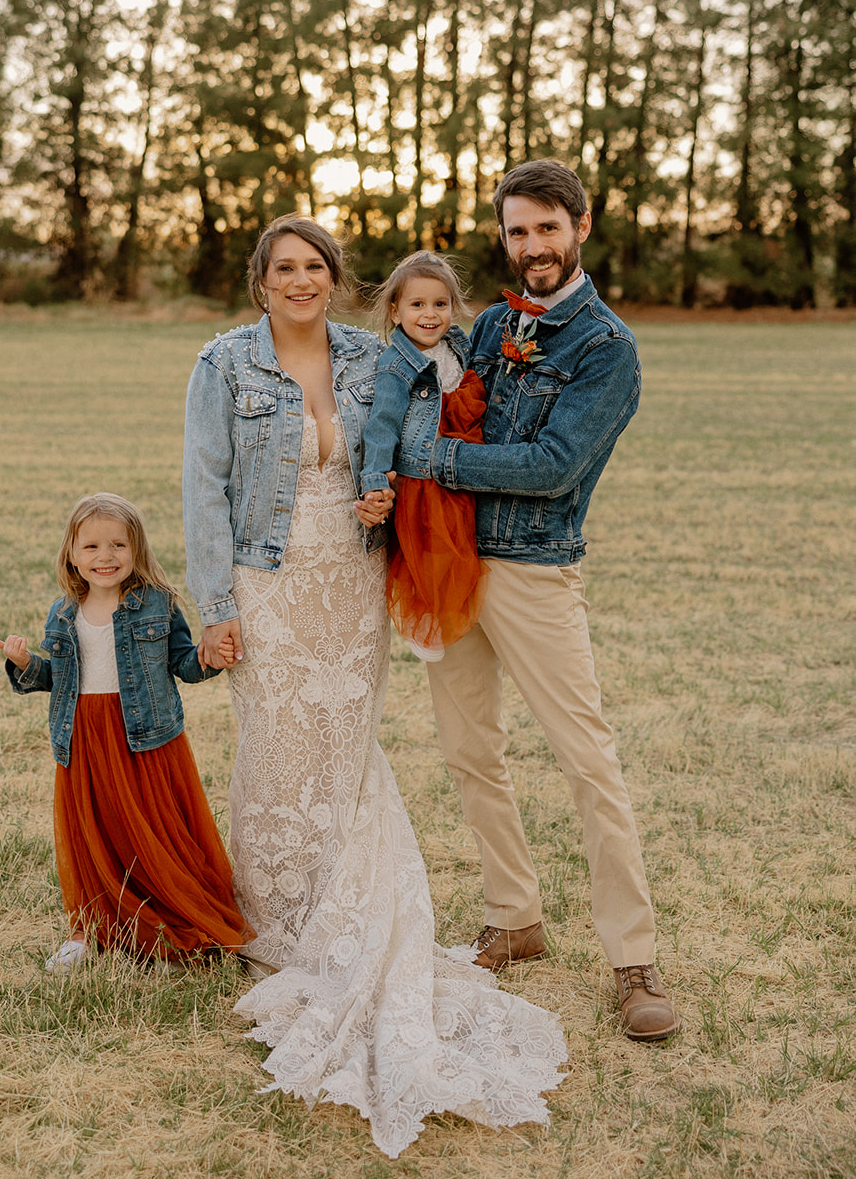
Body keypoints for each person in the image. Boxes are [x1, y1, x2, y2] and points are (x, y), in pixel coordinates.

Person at [182, 216, 567, 1161]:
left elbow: (422, 434)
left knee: (344, 748)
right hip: (267, 579)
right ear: (259, 281)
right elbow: (202, 483)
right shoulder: (224, 363)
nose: (301, 281)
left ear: (337, 278)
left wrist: (390, 495)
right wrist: (213, 605)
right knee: (276, 741)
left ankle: (344, 909)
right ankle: (274, 915)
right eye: (284, 269)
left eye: (315, 267)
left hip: (352, 578)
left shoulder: (374, 353)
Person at [424, 159, 679, 1042]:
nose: (530, 245)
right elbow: (428, 393)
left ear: (580, 227)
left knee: (587, 762)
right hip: (453, 568)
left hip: (533, 570)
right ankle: (514, 916)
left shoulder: (605, 348)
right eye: (516, 230)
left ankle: (633, 960)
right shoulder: (492, 323)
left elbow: (550, 467)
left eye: (545, 228)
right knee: (468, 750)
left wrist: (435, 465)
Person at [0, 491, 250, 971]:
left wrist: (207, 657)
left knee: (153, 835)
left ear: (137, 550)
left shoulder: (157, 604)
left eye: (117, 545)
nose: (105, 557)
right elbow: (60, 678)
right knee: (96, 835)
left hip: (145, 737)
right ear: (72, 554)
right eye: (91, 547)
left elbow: (181, 663)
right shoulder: (63, 613)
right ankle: (89, 929)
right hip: (85, 739)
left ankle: (170, 926)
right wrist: (27, 664)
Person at [358, 250, 489, 660]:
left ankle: (460, 613)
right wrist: (375, 478)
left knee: (463, 544)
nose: (430, 315)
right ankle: (430, 622)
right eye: (417, 305)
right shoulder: (397, 365)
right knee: (431, 552)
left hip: (462, 465)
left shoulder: (457, 347)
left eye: (440, 304)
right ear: (396, 311)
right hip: (423, 477)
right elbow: (381, 426)